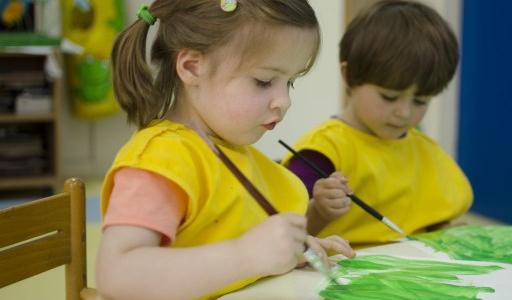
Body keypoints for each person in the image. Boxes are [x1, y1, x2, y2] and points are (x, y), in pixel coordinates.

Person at [96, 1, 354, 299]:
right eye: (264, 81)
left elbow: (225, 241)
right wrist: (246, 256)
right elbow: (117, 275)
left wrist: (289, 250)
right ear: (193, 67)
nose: (283, 101)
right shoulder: (162, 158)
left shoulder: (232, 150)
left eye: (290, 83)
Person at [283, 0, 473, 245]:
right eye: (389, 97)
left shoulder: (425, 151)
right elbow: (284, 236)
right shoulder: (322, 151)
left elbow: (437, 220)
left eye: (420, 101)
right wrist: (319, 211)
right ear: (349, 76)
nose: (404, 113)